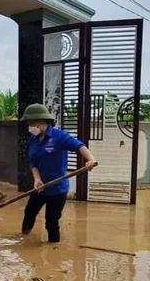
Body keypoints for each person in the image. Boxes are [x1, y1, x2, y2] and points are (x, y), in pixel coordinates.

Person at [20, 104, 96, 243]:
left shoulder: (59, 137)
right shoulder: (34, 140)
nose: (30, 127)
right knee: (29, 214)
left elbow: (79, 146)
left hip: (57, 189)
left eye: (31, 123)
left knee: (51, 223)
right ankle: (23, 239)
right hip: (40, 188)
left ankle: (54, 252)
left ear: (41, 121)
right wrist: (37, 179)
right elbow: (34, 164)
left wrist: (90, 159)